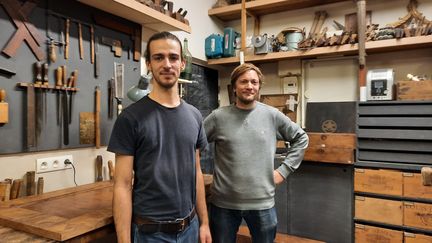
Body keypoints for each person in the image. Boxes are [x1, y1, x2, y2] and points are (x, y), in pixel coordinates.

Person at [108, 31, 212, 243]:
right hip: (150, 233)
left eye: (173, 57)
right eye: (158, 57)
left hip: (190, 229)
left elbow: (197, 172)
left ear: (182, 63)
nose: (167, 64)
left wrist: (204, 223)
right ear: (148, 64)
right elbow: (122, 185)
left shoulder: (194, 116)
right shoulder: (130, 118)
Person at [204, 63, 308, 243]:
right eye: (243, 82)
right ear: (234, 87)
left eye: (254, 82)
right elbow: (194, 143)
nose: (249, 86)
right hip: (223, 205)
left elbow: (301, 138)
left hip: (262, 205)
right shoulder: (217, 117)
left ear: (259, 86)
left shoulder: (272, 115)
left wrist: (284, 171)